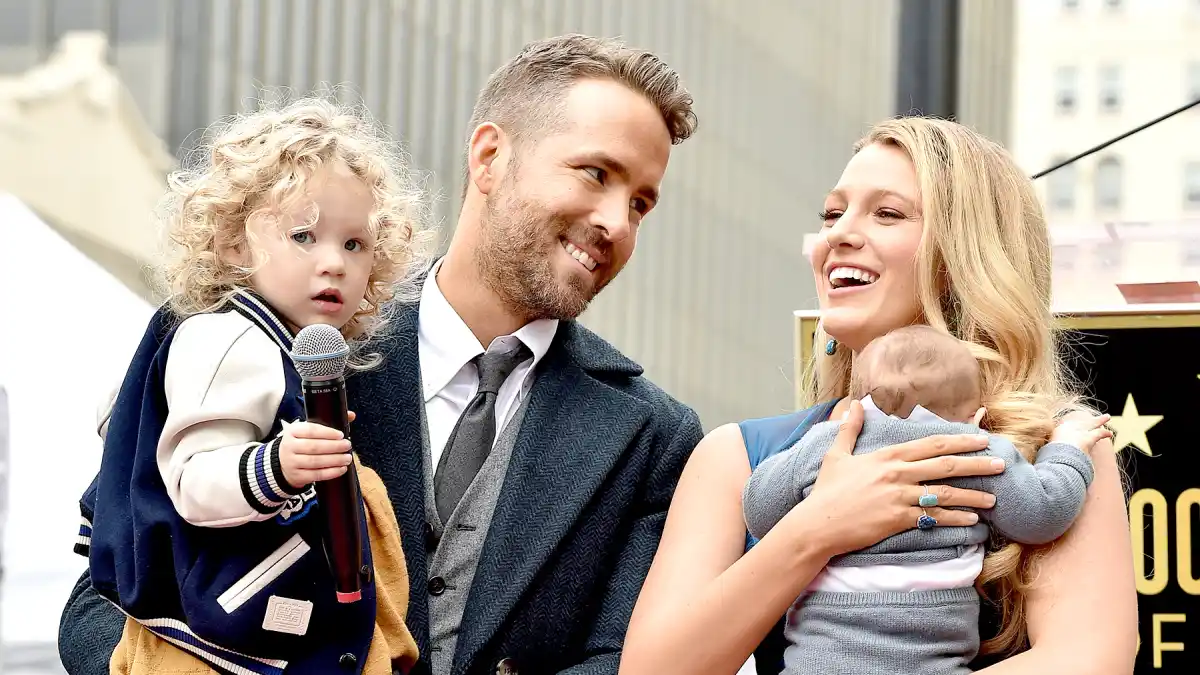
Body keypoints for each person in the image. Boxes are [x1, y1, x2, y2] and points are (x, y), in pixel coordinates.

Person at [60, 34, 704, 675]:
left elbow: (625, 660)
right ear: (489, 157)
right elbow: (105, 592)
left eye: (641, 203)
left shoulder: (656, 438)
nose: (618, 223)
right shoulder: (261, 333)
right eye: (596, 173)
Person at [620, 117, 1138, 675]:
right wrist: (817, 528)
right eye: (831, 213)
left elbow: (1090, 660)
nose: (838, 234)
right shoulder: (735, 455)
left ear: (966, 251)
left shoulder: (1054, 445)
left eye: (886, 213)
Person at [75, 97, 430, 674]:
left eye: (354, 244)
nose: (334, 263)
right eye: (303, 236)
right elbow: (194, 482)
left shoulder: (270, 345)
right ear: (235, 243)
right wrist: (278, 465)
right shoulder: (232, 342)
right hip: (212, 641)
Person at [741, 324, 1111, 675]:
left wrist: (800, 463)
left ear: (855, 407)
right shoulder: (973, 449)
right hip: (930, 663)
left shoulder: (827, 445)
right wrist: (1066, 450)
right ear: (976, 418)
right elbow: (1042, 513)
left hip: (818, 662)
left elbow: (759, 511)